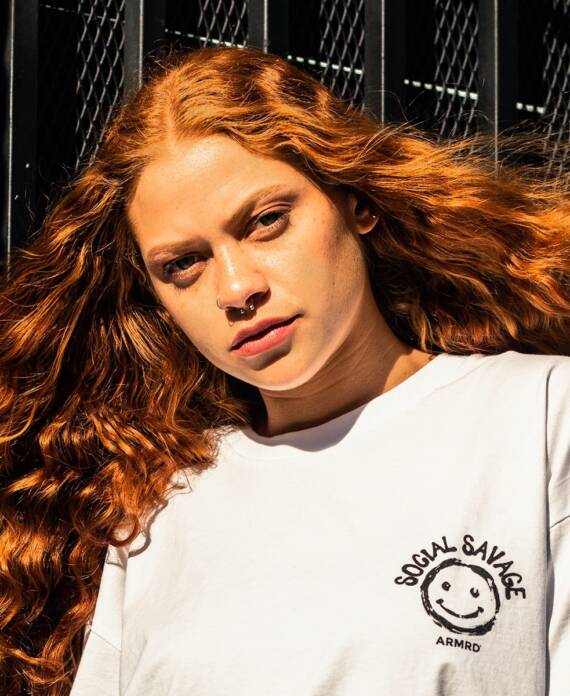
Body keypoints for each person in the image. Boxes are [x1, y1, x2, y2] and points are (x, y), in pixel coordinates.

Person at [0, 44, 568, 696]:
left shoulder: (540, 416)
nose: (236, 288)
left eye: (267, 222)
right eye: (183, 263)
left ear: (356, 201)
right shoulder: (159, 507)